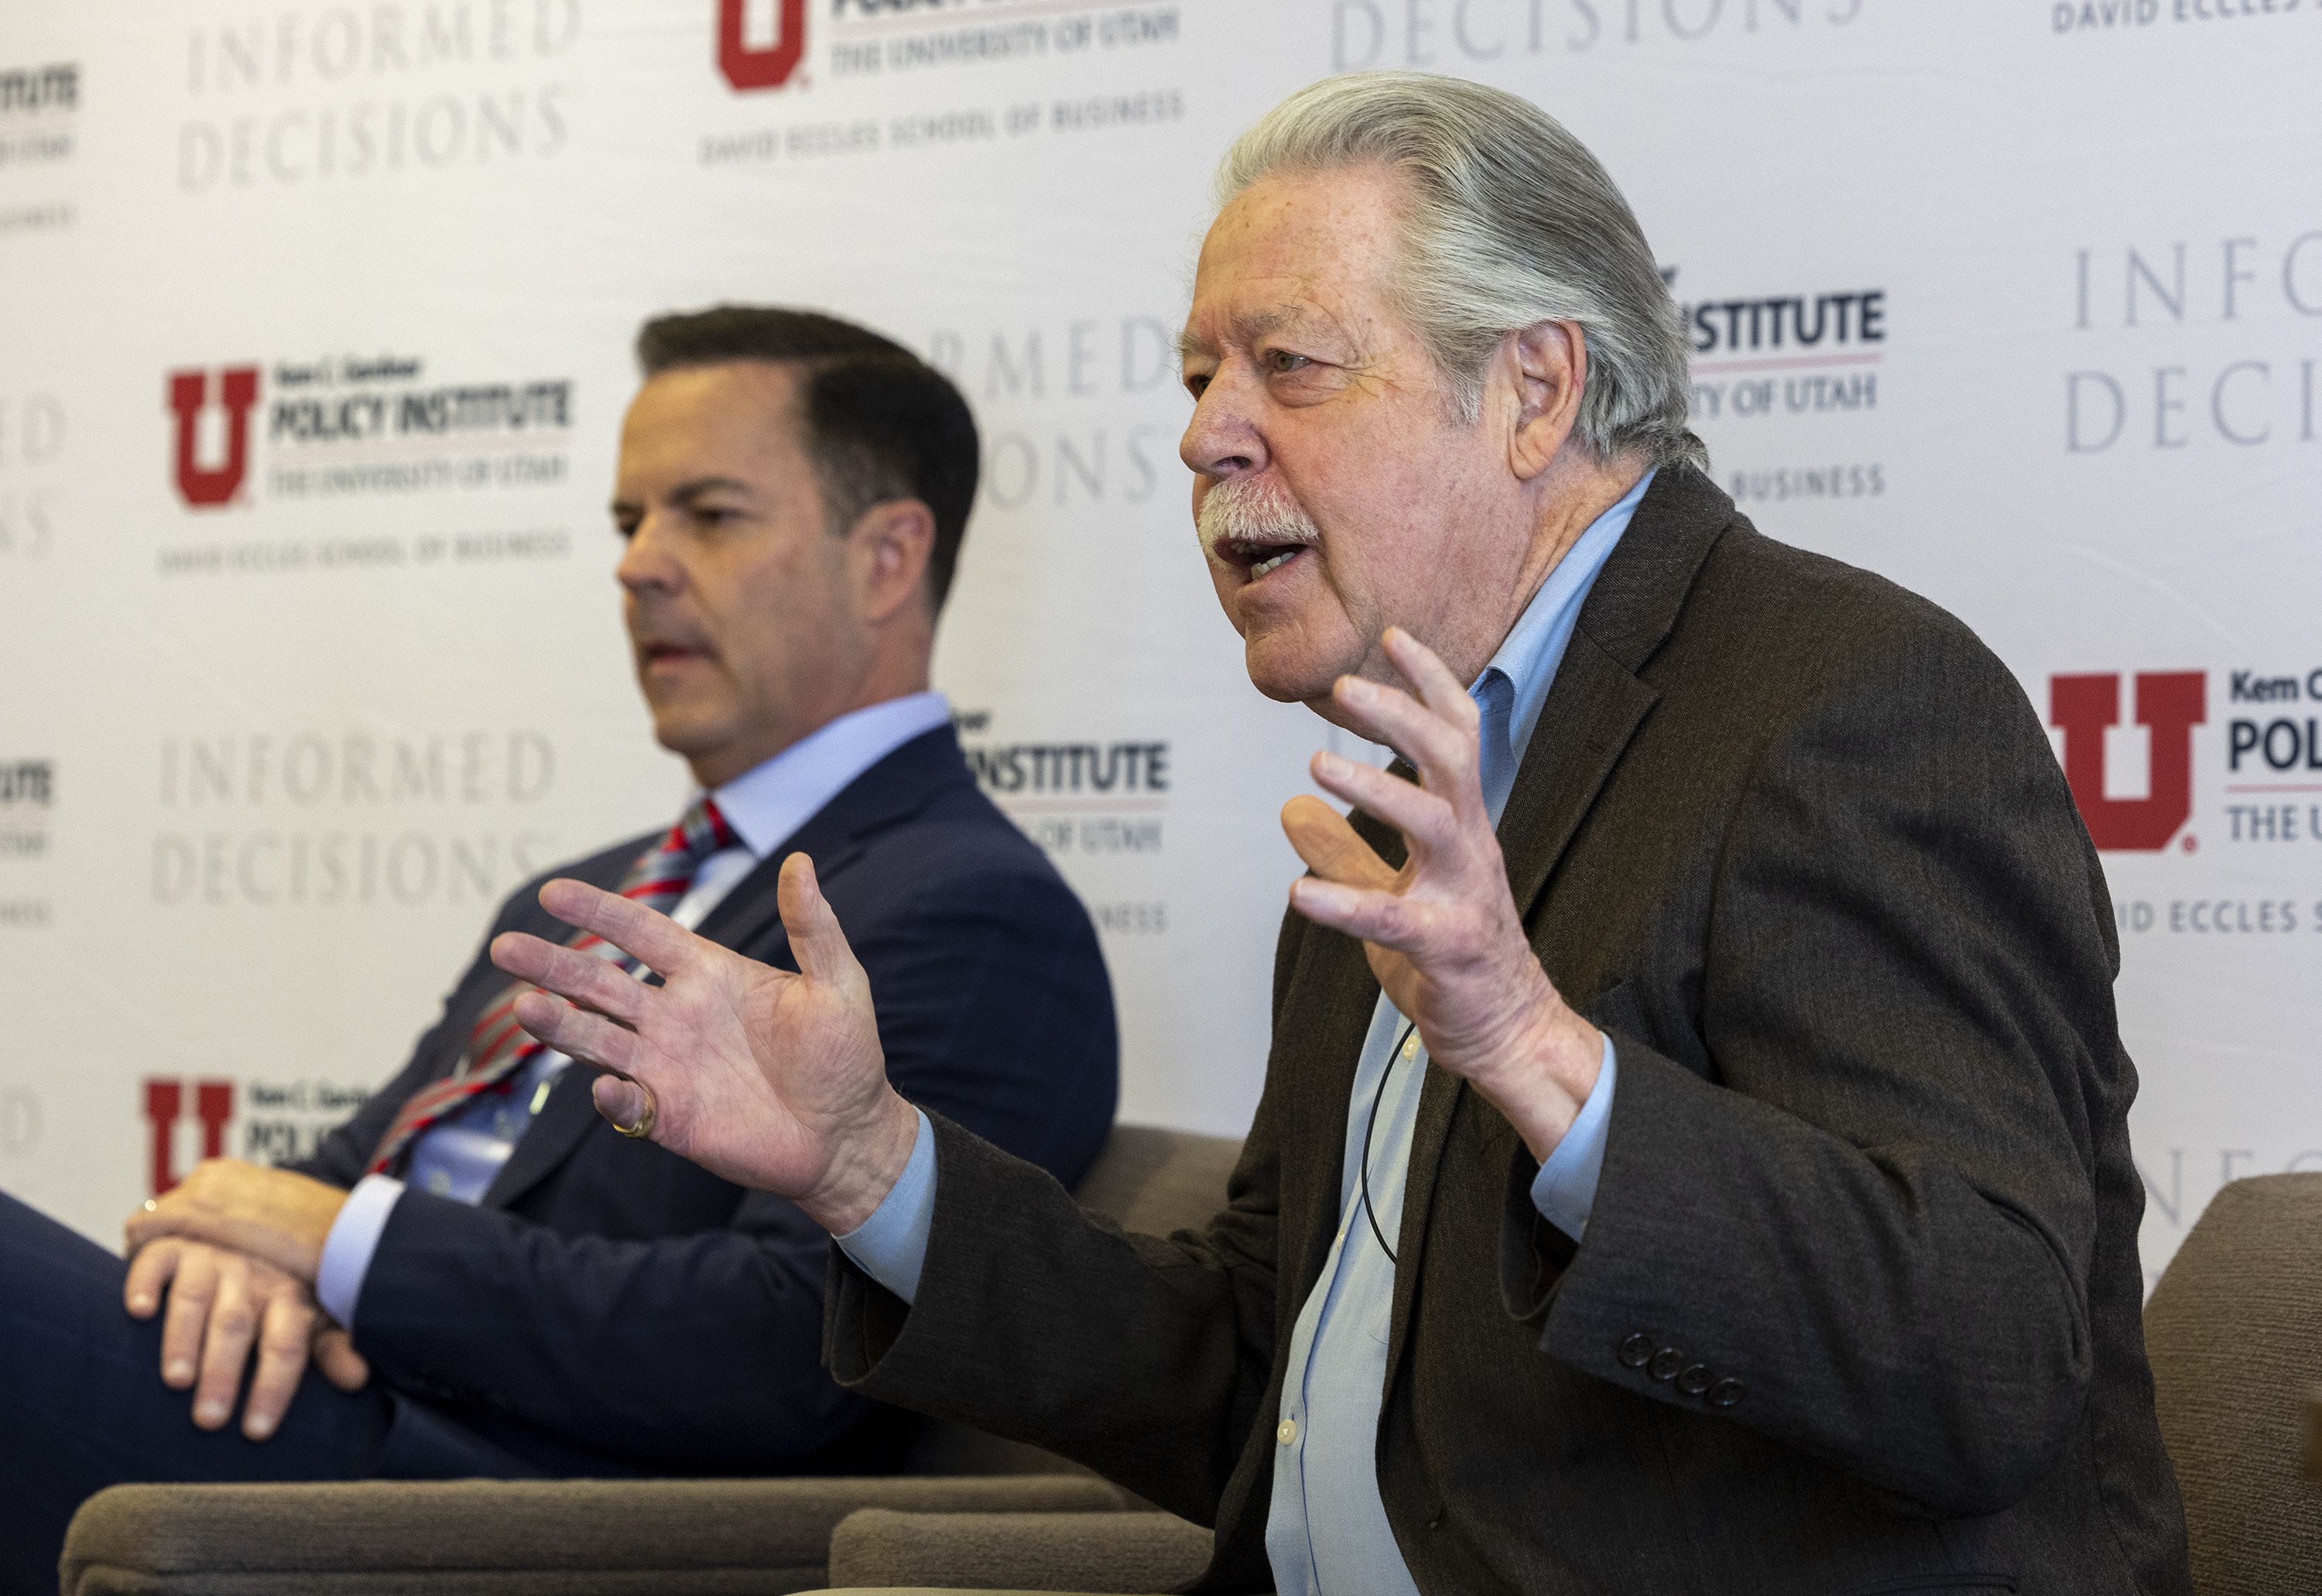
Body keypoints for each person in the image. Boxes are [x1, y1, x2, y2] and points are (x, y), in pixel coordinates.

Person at [327, 76, 2187, 1594]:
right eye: (1196, 376)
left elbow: (1993, 1359)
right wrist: (865, 1162)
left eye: (1290, 367)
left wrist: (1539, 1056)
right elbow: (1247, 1373)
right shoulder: (1403, 770)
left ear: (1533, 387)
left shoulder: (1843, 698)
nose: (1209, 435)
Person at [7, 306, 1117, 1591]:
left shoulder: (967, 908)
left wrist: (342, 1248)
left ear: (887, 559)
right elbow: (337, 1173)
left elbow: (787, 1347)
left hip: (494, 1509)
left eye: (707, 514)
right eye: (627, 521)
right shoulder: (588, 886)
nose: (637, 566)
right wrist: (232, 1252)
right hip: (311, 1418)